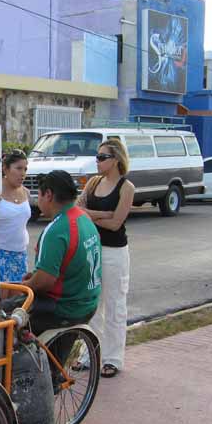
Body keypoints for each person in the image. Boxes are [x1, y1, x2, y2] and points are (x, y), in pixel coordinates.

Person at [76, 139, 134, 378]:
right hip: (91, 249)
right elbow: (78, 210)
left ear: (116, 160)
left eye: (102, 157)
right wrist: (100, 213)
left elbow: (115, 223)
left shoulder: (126, 187)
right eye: (97, 157)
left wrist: (92, 217)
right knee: (91, 305)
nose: (97, 161)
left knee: (114, 306)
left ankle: (112, 358)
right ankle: (88, 354)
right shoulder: (93, 183)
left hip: (114, 253)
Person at [20, 170, 102, 337]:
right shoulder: (84, 218)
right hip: (88, 303)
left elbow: (45, 281)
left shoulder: (57, 230)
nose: (37, 200)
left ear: (48, 195)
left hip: (65, 308)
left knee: (6, 316)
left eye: (39, 194)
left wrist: (22, 287)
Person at [0, 149, 31, 282]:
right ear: (5, 169)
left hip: (20, 254)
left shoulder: (25, 192)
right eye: (18, 168)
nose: (23, 174)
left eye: (25, 169)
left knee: (17, 300)